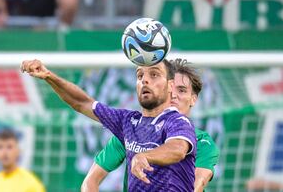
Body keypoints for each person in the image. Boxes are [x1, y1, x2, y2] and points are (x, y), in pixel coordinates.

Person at [21, 58, 196, 191]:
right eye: (140, 75)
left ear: (171, 85)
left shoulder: (177, 121)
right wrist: (49, 76)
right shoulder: (127, 121)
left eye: (154, 74)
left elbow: (177, 149)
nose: (145, 80)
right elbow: (81, 102)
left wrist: (144, 156)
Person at [81, 59, 220, 192]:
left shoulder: (202, 142)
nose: (174, 95)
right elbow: (90, 181)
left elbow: (196, 185)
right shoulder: (131, 130)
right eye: (171, 87)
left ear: (193, 99)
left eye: (182, 90)